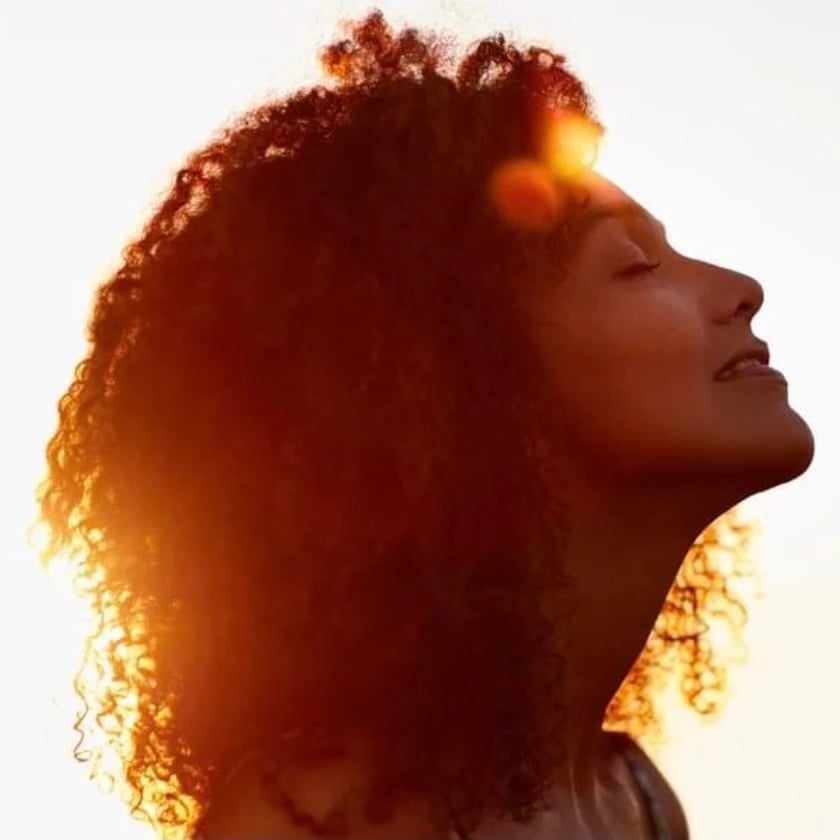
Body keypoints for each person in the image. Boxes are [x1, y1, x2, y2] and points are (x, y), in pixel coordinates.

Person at [36, 9, 814, 840]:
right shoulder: (323, 824)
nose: (741, 288)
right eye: (635, 265)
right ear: (472, 383)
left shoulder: (637, 801)